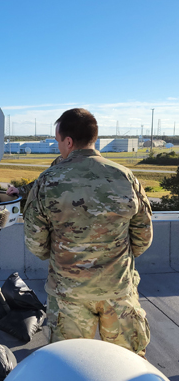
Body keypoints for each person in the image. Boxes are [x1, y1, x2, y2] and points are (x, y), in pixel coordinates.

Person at [23, 108, 152, 358]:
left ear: (68, 141)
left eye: (59, 141)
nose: (59, 146)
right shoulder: (126, 177)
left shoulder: (47, 181)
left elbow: (35, 242)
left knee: (71, 363)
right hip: (118, 290)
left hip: (68, 295)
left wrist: (67, 258)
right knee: (126, 364)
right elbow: (143, 236)